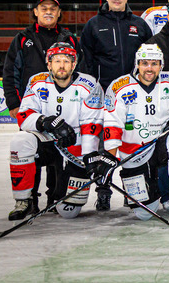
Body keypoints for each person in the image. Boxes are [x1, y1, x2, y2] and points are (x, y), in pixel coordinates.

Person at [96, 44, 169, 222]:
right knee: (144, 214)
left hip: (162, 142)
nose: (149, 68)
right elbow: (113, 123)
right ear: (137, 64)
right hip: (135, 152)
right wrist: (110, 156)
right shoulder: (119, 87)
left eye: (154, 63)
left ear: (161, 64)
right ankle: (155, 193)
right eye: (145, 63)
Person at [79, 0, 153, 210]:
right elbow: (86, 60)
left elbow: (150, 58)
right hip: (105, 92)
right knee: (104, 143)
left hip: (134, 94)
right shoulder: (93, 24)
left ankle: (133, 191)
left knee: (132, 139)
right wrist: (94, 87)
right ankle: (103, 189)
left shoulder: (139, 24)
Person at [7, 42, 103, 220]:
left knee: (68, 212)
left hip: (76, 147)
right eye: (57, 60)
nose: (61, 65)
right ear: (49, 64)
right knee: (20, 141)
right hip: (47, 142)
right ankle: (24, 201)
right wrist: (45, 121)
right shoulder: (37, 82)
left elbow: (93, 124)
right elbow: (24, 116)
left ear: (74, 65)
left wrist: (89, 156)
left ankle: (60, 196)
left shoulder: (89, 84)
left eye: (66, 61)